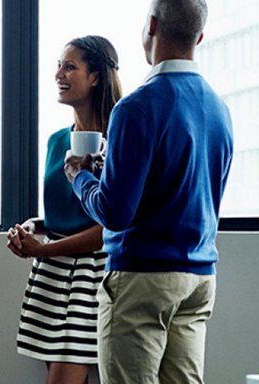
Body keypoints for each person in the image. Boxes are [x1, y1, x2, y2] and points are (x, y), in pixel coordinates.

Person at [64, 1, 233, 382]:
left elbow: (115, 213)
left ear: (151, 26)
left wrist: (80, 177)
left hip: (143, 277)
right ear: (199, 37)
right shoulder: (219, 109)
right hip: (199, 278)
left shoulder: (135, 107)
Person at [6, 35, 122, 384]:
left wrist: (43, 249)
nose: (59, 73)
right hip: (52, 274)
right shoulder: (57, 141)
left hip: (93, 274)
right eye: (59, 65)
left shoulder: (120, 137)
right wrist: (33, 225)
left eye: (69, 66)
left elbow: (111, 225)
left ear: (96, 76)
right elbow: (66, 214)